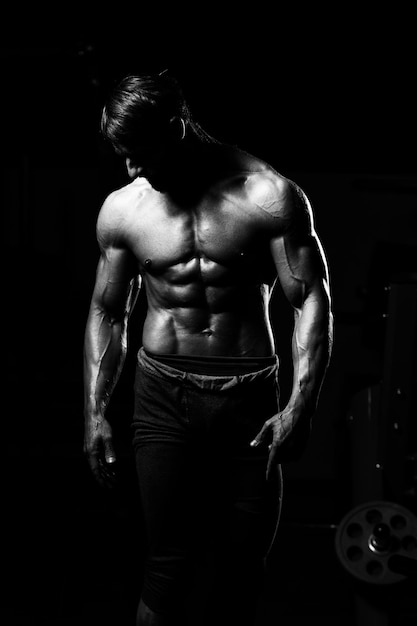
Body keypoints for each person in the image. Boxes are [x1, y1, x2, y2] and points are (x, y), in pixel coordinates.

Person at [83, 72, 333, 626]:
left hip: (248, 401)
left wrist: (301, 405)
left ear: (177, 129)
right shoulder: (124, 210)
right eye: (123, 158)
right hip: (161, 396)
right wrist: (95, 412)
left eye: (140, 155)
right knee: (166, 565)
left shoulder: (266, 195)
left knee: (243, 564)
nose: (132, 170)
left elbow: (310, 298)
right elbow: (107, 310)